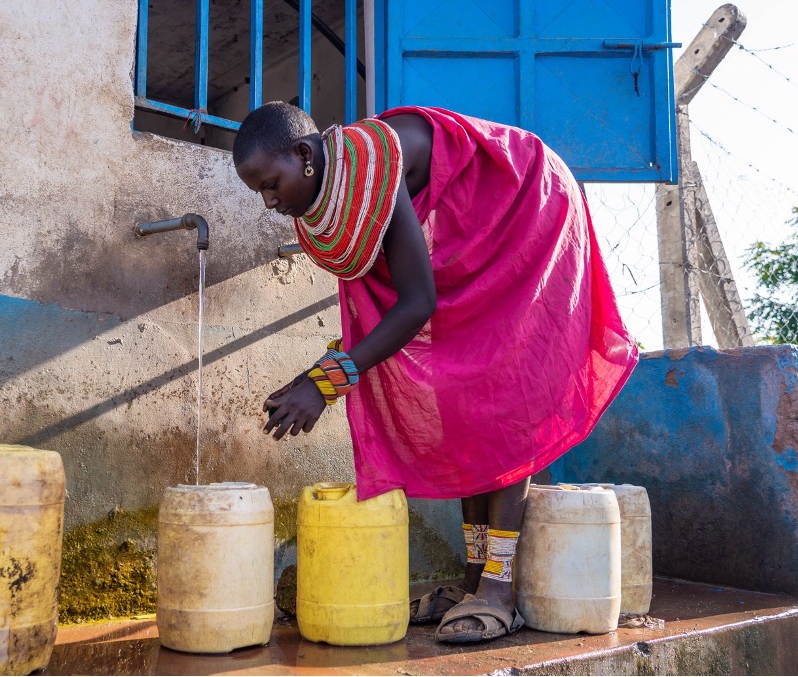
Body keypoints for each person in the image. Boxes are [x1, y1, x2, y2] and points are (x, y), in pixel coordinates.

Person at [232, 102, 638, 644]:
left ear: (304, 154)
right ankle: (472, 579)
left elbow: (416, 302)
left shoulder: (374, 169)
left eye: (271, 184)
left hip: (527, 207)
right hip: (472, 233)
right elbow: (378, 309)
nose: (269, 201)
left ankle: (499, 587)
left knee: (500, 396)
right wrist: (319, 375)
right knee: (459, 400)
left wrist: (325, 384)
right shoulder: (337, 195)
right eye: (259, 191)